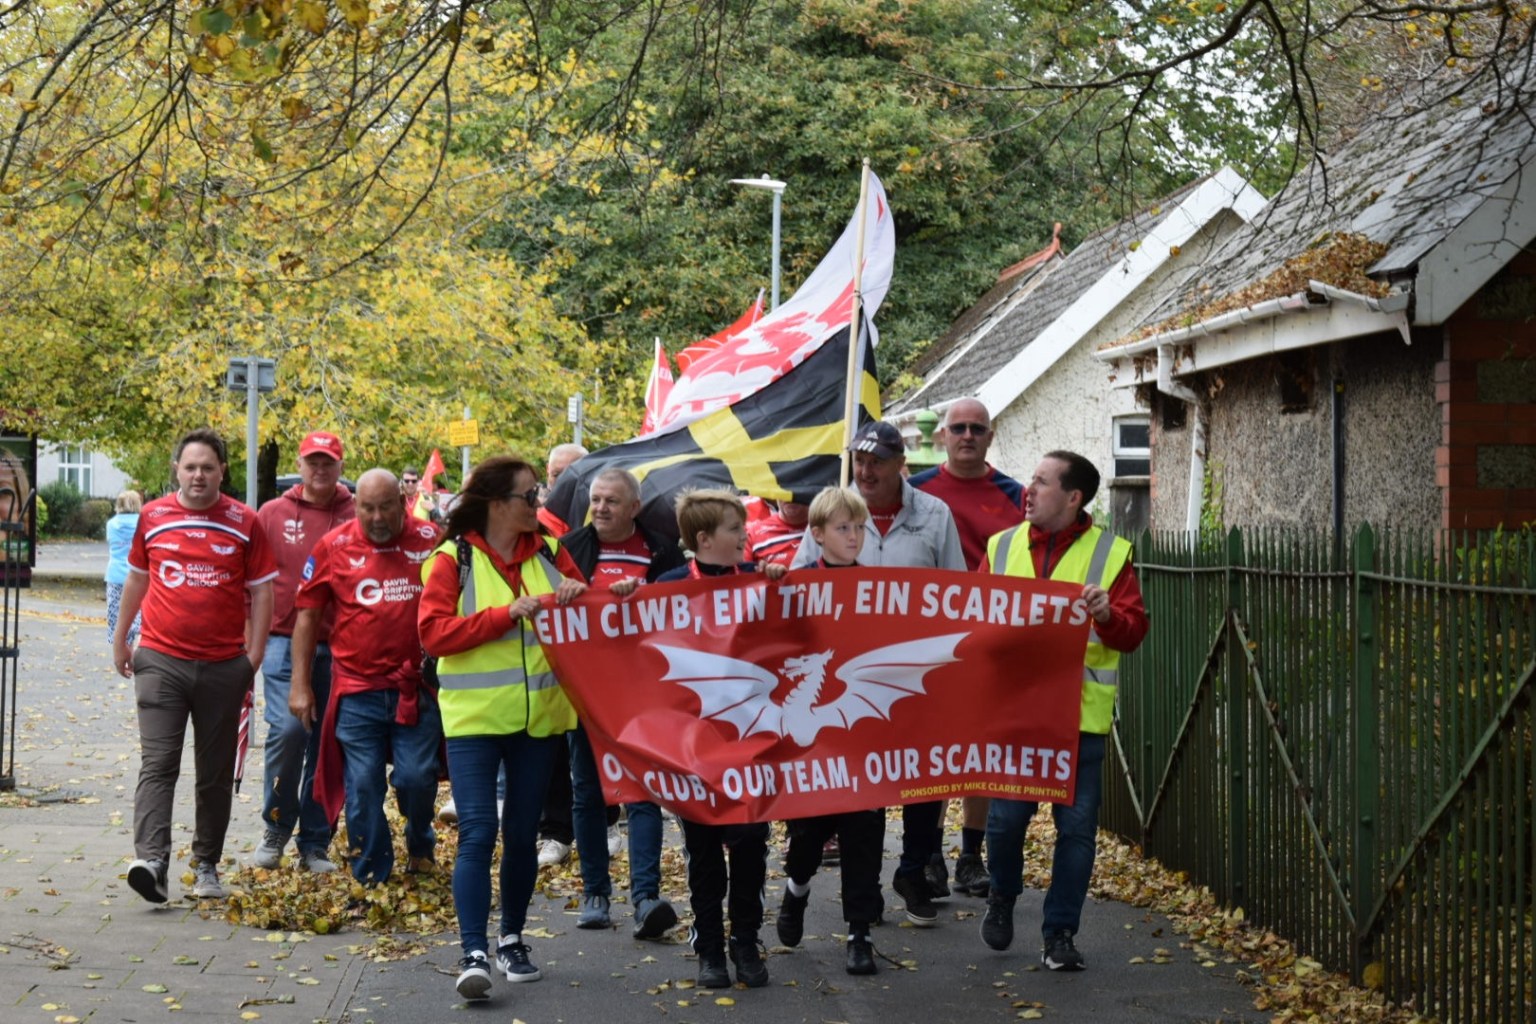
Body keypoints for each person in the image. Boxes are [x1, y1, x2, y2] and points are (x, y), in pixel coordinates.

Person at [418, 455, 587, 1002]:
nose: (539, 503)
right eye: (529, 496)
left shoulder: (552, 551)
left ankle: (511, 939)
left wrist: (582, 597)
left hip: (539, 719)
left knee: (521, 833)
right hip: (473, 720)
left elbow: (588, 613)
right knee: (477, 831)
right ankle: (472, 951)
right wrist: (505, 614)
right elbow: (434, 635)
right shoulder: (453, 559)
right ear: (497, 504)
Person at [979, 450, 1148, 971]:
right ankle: (1002, 894)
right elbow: (972, 620)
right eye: (1030, 479)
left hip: (1079, 724)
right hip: (1016, 718)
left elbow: (1133, 633)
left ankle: (1059, 935)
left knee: (1075, 833)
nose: (1028, 490)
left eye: (1041, 482)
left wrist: (1107, 616)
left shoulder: (1112, 554)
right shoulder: (1000, 547)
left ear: (1073, 498)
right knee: (1005, 823)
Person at [793, 420, 965, 928]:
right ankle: (863, 891)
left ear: (900, 465)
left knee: (923, 775)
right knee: (861, 784)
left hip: (917, 669)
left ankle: (913, 871)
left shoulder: (934, 514)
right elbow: (802, 584)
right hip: (851, 674)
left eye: (877, 462)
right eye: (860, 461)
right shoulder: (834, 511)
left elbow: (957, 590)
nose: (866, 471)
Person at [113, 428, 277, 903]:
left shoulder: (245, 521)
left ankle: (206, 863)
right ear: (177, 471)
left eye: (207, 467)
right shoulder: (153, 516)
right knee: (158, 763)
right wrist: (121, 639)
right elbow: (137, 579)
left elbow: (263, 591)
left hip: (224, 665)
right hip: (160, 660)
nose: (198, 475)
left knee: (214, 772)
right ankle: (152, 862)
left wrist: (254, 656)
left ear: (222, 471)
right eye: (190, 467)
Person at [656, 488, 785, 990]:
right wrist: (623, 597)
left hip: (751, 741)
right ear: (705, 538)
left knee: (751, 842)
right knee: (704, 849)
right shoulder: (667, 587)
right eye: (736, 529)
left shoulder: (757, 580)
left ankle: (745, 941)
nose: (745, 536)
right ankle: (710, 947)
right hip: (690, 745)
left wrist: (781, 582)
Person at [291, 469, 443, 885]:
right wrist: (300, 685)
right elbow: (307, 617)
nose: (377, 517)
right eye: (367, 508)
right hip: (357, 689)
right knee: (362, 785)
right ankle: (372, 873)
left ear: (403, 503)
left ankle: (420, 838)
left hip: (416, 688)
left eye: (386, 507)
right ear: (355, 506)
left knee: (416, 779)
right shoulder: (333, 546)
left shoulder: (431, 541)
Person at [558, 467, 684, 937]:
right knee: (588, 793)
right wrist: (564, 594)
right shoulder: (569, 548)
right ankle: (595, 893)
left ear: (634, 507)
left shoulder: (661, 550)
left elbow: (682, 606)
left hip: (644, 690)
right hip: (586, 689)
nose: (601, 508)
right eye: (595, 499)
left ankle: (646, 898)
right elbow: (544, 605)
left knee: (643, 791)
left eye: (611, 501)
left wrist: (649, 595)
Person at [907, 399, 1025, 898]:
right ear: (943, 436)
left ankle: (971, 856)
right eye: (958, 428)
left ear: (991, 436)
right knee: (935, 750)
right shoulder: (915, 492)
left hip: (993, 643)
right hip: (931, 642)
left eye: (978, 428)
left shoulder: (1015, 496)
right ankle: (929, 854)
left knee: (982, 750)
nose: (968, 436)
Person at [774, 486, 881, 975]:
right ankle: (796, 891)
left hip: (860, 734)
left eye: (859, 527)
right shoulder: (795, 586)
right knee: (808, 837)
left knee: (863, 835)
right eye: (843, 528)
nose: (854, 536)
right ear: (816, 534)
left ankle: (859, 933)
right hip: (810, 739)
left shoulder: (880, 589)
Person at [252, 430, 355, 873]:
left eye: (328, 462)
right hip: (282, 639)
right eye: (313, 461)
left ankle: (315, 841)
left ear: (340, 466)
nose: (320, 469)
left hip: (340, 644)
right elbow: (252, 580)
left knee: (328, 743)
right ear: (299, 464)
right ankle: (276, 825)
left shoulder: (356, 512)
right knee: (290, 732)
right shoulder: (272, 513)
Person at [105, 491, 143, 647]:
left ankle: (121, 647)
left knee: (117, 615)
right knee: (139, 613)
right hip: (137, 575)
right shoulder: (142, 522)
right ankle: (138, 643)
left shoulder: (111, 524)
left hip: (115, 575)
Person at [534, 442, 588, 537]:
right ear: (548, 469)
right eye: (556, 475)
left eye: (571, 477)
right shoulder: (533, 523)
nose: (562, 483)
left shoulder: (601, 516)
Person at [745, 494, 811, 569]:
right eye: (785, 489)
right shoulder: (754, 533)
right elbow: (740, 573)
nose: (791, 494)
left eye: (799, 489)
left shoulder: (821, 528)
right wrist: (764, 572)